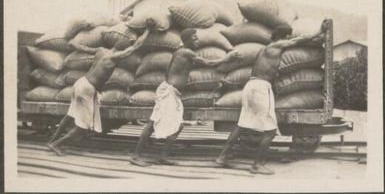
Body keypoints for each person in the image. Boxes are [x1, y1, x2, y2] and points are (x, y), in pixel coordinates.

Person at [215, 19, 330, 175]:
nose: (289, 39)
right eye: (288, 37)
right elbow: (299, 40)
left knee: (242, 124)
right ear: (284, 36)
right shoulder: (277, 45)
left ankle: (222, 157)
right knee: (269, 130)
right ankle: (257, 165)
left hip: (250, 86)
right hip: (261, 88)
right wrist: (319, 32)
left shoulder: (264, 49)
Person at [128, 28, 241, 167]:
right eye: (194, 38)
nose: (197, 41)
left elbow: (169, 71)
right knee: (153, 123)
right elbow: (209, 63)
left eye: (197, 38)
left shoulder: (179, 53)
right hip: (169, 92)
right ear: (186, 41)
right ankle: (136, 155)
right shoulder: (186, 52)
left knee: (178, 125)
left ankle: (163, 156)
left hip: (171, 92)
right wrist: (228, 58)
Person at [47, 27, 150, 156]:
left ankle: (51, 140)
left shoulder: (101, 51)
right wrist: (148, 30)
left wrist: (73, 43)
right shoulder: (114, 57)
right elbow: (136, 47)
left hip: (80, 83)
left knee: (70, 115)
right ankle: (55, 144)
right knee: (82, 127)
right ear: (122, 50)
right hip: (87, 89)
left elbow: (84, 49)